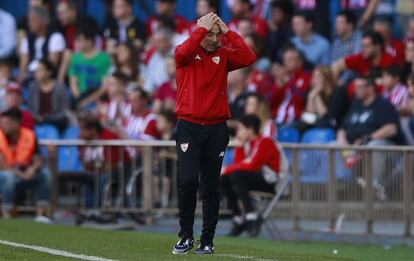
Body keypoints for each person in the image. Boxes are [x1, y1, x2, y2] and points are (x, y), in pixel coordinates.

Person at [172, 13, 256, 254]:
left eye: (216, 34)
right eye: (210, 33)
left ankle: (207, 239)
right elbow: (180, 54)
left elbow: (249, 57)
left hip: (217, 128)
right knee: (188, 181)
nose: (214, 38)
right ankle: (185, 235)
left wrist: (227, 31)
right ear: (198, 32)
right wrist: (201, 29)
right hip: (188, 125)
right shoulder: (185, 53)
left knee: (210, 186)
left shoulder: (225, 54)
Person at [220, 114, 287, 237]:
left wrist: (226, 168)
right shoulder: (246, 144)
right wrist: (239, 148)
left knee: (236, 175)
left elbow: (252, 165)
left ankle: (251, 216)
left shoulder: (265, 141)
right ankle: (238, 218)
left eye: (240, 129)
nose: (237, 132)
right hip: (257, 179)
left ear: (250, 129)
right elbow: (239, 164)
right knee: (224, 179)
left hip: (272, 183)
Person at [337, 77, 403, 188]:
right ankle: (344, 185)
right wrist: (344, 143)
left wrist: (366, 139)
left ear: (370, 88)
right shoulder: (355, 105)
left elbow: (391, 128)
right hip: (354, 147)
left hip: (381, 145)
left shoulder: (383, 104)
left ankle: (373, 186)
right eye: (355, 87)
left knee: (374, 146)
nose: (355, 90)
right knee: (333, 145)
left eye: (359, 87)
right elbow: (342, 128)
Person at [0, 108, 51, 222]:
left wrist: (32, 169)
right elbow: (2, 164)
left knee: (45, 174)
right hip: (4, 176)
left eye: (6, 123)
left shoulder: (29, 135)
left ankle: (41, 214)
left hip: (23, 175)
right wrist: (22, 175)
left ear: (16, 122)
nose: (3, 126)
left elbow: (38, 158)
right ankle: (7, 212)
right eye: (1, 123)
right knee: (8, 177)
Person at [18, 6, 65, 83]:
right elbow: (23, 66)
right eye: (29, 20)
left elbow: (51, 67)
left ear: (45, 21)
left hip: (48, 79)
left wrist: (37, 76)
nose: (30, 23)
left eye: (34, 20)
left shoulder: (55, 37)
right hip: (29, 77)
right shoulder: (27, 39)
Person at [68, 26, 111, 109]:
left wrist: (87, 100)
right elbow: (73, 81)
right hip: (79, 95)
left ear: (90, 41)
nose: (77, 44)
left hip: (95, 96)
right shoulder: (75, 58)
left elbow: (104, 86)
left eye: (80, 40)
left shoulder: (103, 58)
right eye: (76, 40)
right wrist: (79, 98)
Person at [270, 46, 311, 126]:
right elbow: (270, 101)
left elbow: (301, 98)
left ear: (300, 62)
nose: (286, 63)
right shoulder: (280, 78)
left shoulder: (307, 77)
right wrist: (279, 86)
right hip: (276, 120)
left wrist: (289, 82)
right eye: (285, 60)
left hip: (295, 122)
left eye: (290, 59)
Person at [332, 31, 399, 80]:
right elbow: (335, 66)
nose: (363, 49)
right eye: (362, 46)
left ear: (378, 46)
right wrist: (339, 82)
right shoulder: (362, 57)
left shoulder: (390, 60)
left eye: (367, 46)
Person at [28, 59, 69, 132]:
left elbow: (65, 110)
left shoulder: (60, 87)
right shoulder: (32, 86)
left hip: (56, 123)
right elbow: (30, 108)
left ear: (49, 72)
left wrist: (48, 118)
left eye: (40, 70)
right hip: (37, 122)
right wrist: (38, 118)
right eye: (36, 70)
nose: (37, 73)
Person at [143, 27, 173, 94]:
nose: (156, 45)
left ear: (168, 41)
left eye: (159, 41)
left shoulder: (176, 54)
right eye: (155, 42)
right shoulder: (154, 58)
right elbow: (150, 81)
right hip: (157, 94)